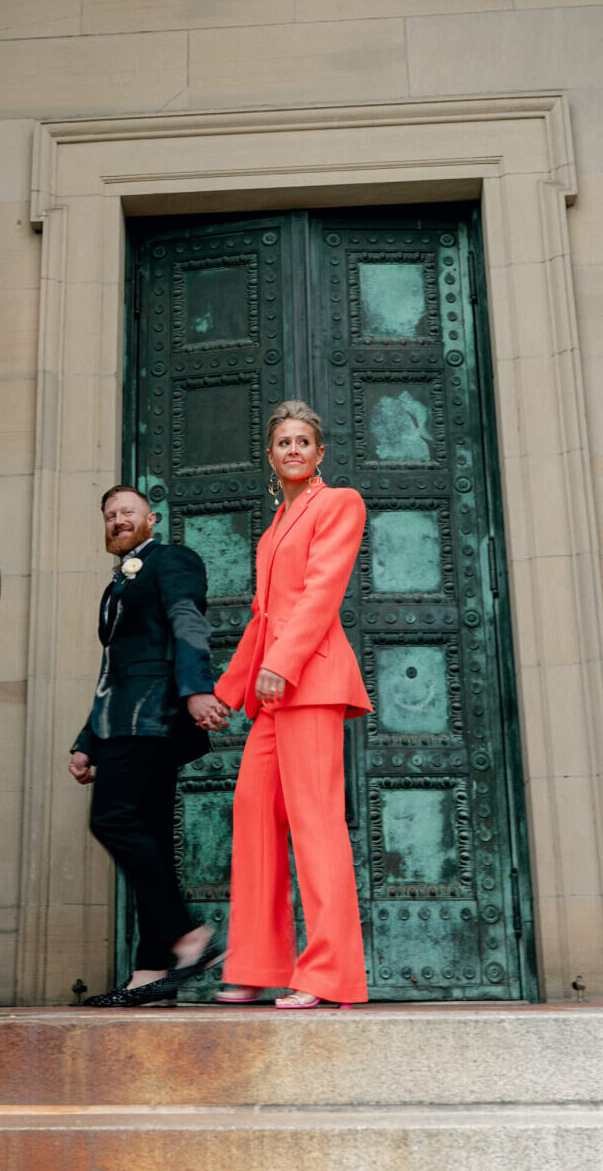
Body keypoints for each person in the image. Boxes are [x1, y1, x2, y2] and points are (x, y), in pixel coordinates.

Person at [209, 401, 371, 1008]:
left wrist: (280, 664)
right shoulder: (275, 526)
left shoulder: (339, 503)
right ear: (271, 456)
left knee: (315, 824)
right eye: (284, 443)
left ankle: (329, 975)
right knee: (253, 815)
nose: (294, 450)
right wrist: (224, 691)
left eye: (304, 441)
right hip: (272, 696)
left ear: (320, 453)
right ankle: (255, 964)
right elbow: (263, 617)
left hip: (312, 683)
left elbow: (322, 592)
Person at [69, 484, 228, 1006]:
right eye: (111, 515)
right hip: (120, 724)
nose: (118, 520)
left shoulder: (172, 559)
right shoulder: (116, 585)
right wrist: (87, 740)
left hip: (151, 720)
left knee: (111, 822)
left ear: (151, 518)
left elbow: (188, 620)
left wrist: (198, 689)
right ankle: (151, 977)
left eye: (128, 512)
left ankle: (189, 936)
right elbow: (112, 669)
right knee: (150, 842)